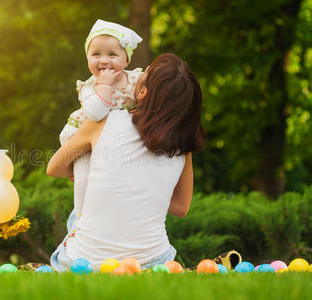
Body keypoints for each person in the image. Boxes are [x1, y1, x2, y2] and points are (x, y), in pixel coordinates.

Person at [47, 53, 206, 272]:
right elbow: (180, 206)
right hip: (151, 264)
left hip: (82, 263)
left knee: (81, 212)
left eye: (145, 72)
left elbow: (54, 167)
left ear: (142, 92)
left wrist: (102, 178)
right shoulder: (182, 146)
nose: (138, 73)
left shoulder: (106, 121)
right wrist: (143, 190)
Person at [59, 19, 143, 219]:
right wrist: (104, 86)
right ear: (87, 57)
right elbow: (96, 114)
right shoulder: (90, 86)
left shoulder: (136, 80)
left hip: (118, 143)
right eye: (96, 54)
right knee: (84, 180)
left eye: (112, 54)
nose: (103, 60)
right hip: (86, 139)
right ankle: (82, 221)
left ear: (127, 60)